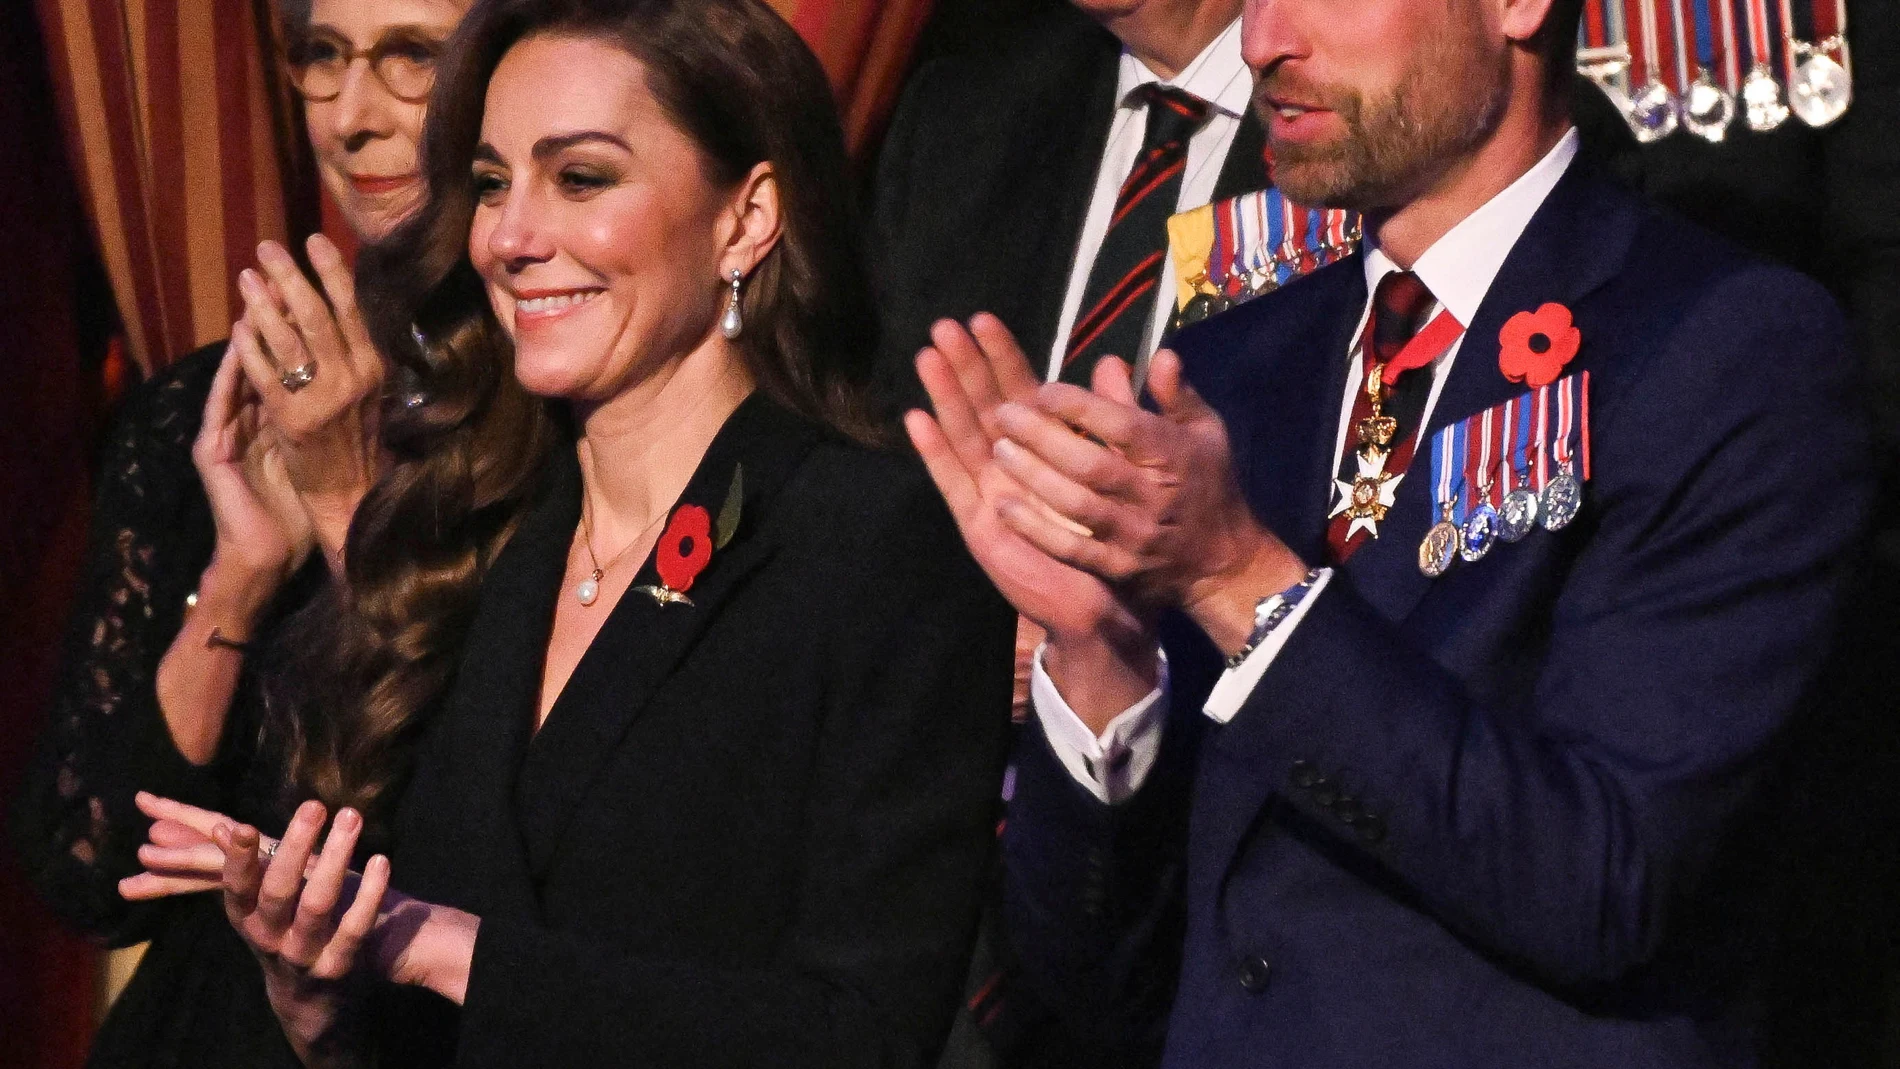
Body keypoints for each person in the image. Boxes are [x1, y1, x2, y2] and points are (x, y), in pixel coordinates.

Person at [906, 0, 1872, 1061]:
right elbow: (1103, 978)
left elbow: (1605, 879)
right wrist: (1097, 661)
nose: (1264, 37)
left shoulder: (1723, 349)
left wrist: (1240, 581)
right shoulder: (1232, 365)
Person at [121, 0, 1015, 1065]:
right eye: (493, 183)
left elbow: (861, 1036)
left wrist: (448, 948)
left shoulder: (873, 545)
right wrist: (316, 995)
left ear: (747, 217)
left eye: (580, 178)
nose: (509, 237)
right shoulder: (468, 533)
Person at [10, 0, 469, 1064]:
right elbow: (88, 869)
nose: (349, 116)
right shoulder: (208, 406)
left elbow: (477, 845)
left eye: (411, 58)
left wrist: (349, 502)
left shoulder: (561, 420)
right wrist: (240, 578)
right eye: (323, 58)